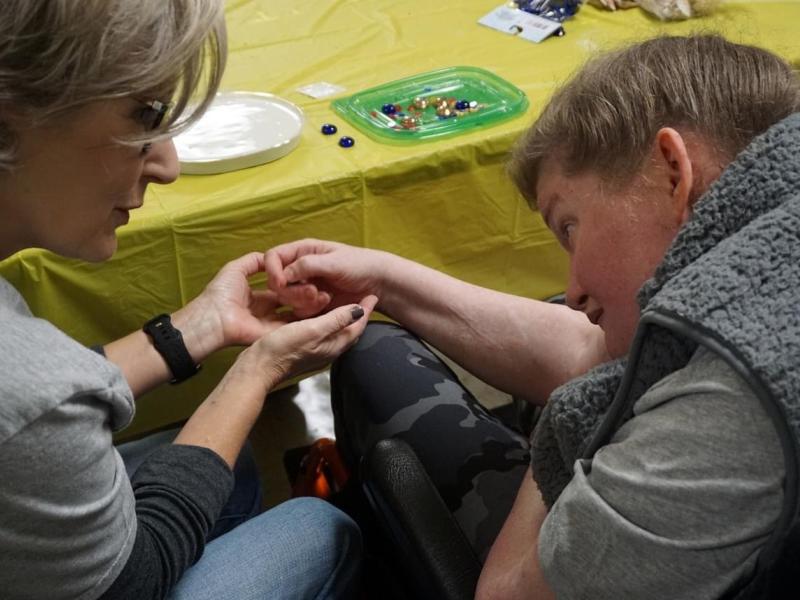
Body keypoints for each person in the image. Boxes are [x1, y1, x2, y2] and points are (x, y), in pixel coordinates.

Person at [264, 34, 800, 599]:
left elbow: (505, 593)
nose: (573, 292)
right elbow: (593, 352)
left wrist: (569, 417)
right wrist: (383, 279)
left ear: (672, 172)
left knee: (372, 360)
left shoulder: (721, 414)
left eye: (569, 227)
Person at [0, 2, 377, 599]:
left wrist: (199, 327)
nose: (169, 164)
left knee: (237, 471)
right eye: (144, 117)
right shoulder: (29, 382)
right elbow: (136, 578)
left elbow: (32, 414)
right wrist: (261, 369)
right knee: (320, 527)